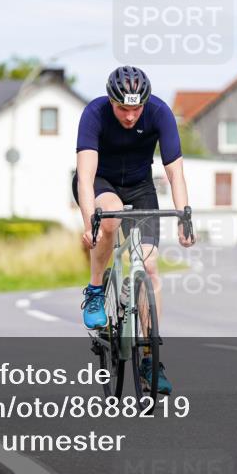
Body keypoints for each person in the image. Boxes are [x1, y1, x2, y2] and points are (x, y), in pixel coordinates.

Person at [72, 65, 195, 394]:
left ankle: (149, 359)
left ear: (145, 103)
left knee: (150, 267)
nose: (129, 116)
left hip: (140, 187)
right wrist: (89, 223)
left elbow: (175, 173)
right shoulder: (94, 113)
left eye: (136, 109)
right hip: (102, 183)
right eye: (122, 109)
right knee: (110, 218)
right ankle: (95, 291)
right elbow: (85, 177)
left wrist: (184, 217)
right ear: (111, 102)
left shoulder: (160, 113)